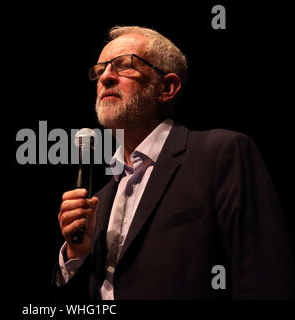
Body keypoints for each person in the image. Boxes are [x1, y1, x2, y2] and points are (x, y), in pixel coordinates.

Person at [54, 26, 294, 300]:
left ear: (167, 87)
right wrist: (77, 254)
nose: (106, 77)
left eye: (124, 66)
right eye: (100, 71)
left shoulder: (221, 154)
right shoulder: (100, 198)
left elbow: (264, 276)